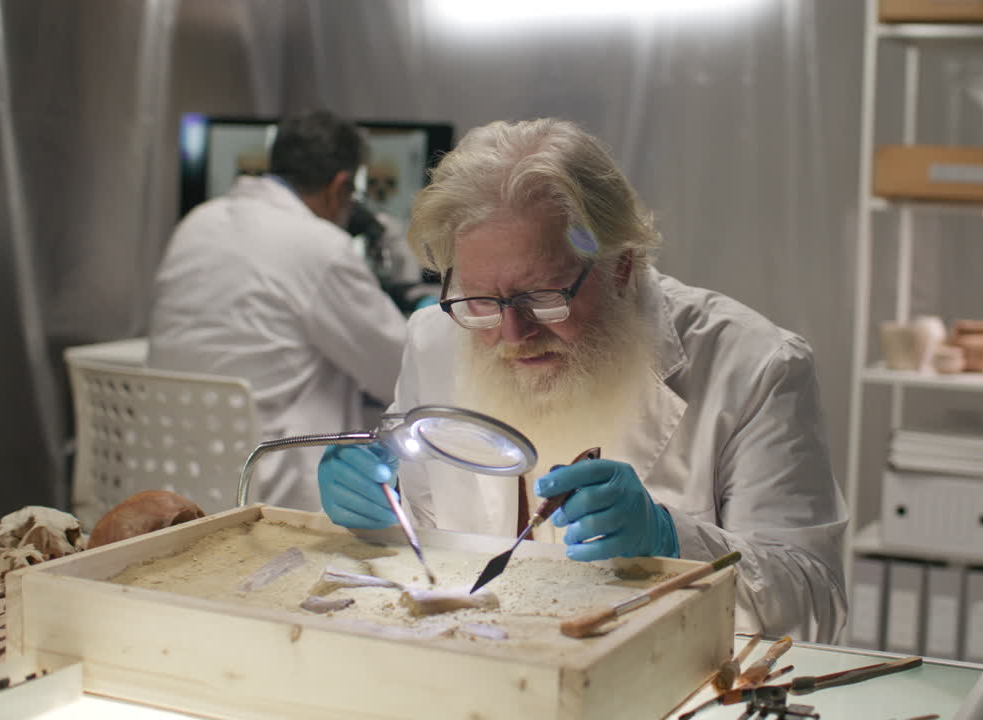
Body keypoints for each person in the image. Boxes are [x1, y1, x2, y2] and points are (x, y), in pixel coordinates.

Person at [316, 118, 847, 642]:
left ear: (621, 267)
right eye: (480, 299)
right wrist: (378, 512)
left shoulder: (756, 366)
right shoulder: (435, 339)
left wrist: (670, 543)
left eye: (541, 296)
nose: (512, 332)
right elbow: (426, 540)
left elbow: (814, 603)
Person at [148, 109, 406, 511]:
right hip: (273, 489)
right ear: (340, 186)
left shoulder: (197, 222)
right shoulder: (320, 247)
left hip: (178, 477)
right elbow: (398, 374)